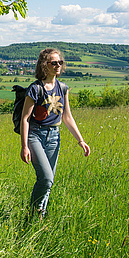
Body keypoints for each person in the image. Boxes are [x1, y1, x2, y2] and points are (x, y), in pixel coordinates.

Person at [19, 48, 91, 219]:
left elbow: (67, 117)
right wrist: (24, 146)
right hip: (35, 135)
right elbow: (25, 119)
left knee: (48, 182)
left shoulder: (63, 88)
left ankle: (39, 216)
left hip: (54, 136)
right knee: (46, 177)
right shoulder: (35, 89)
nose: (58, 65)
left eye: (60, 62)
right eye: (54, 63)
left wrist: (80, 140)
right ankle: (33, 212)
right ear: (45, 65)